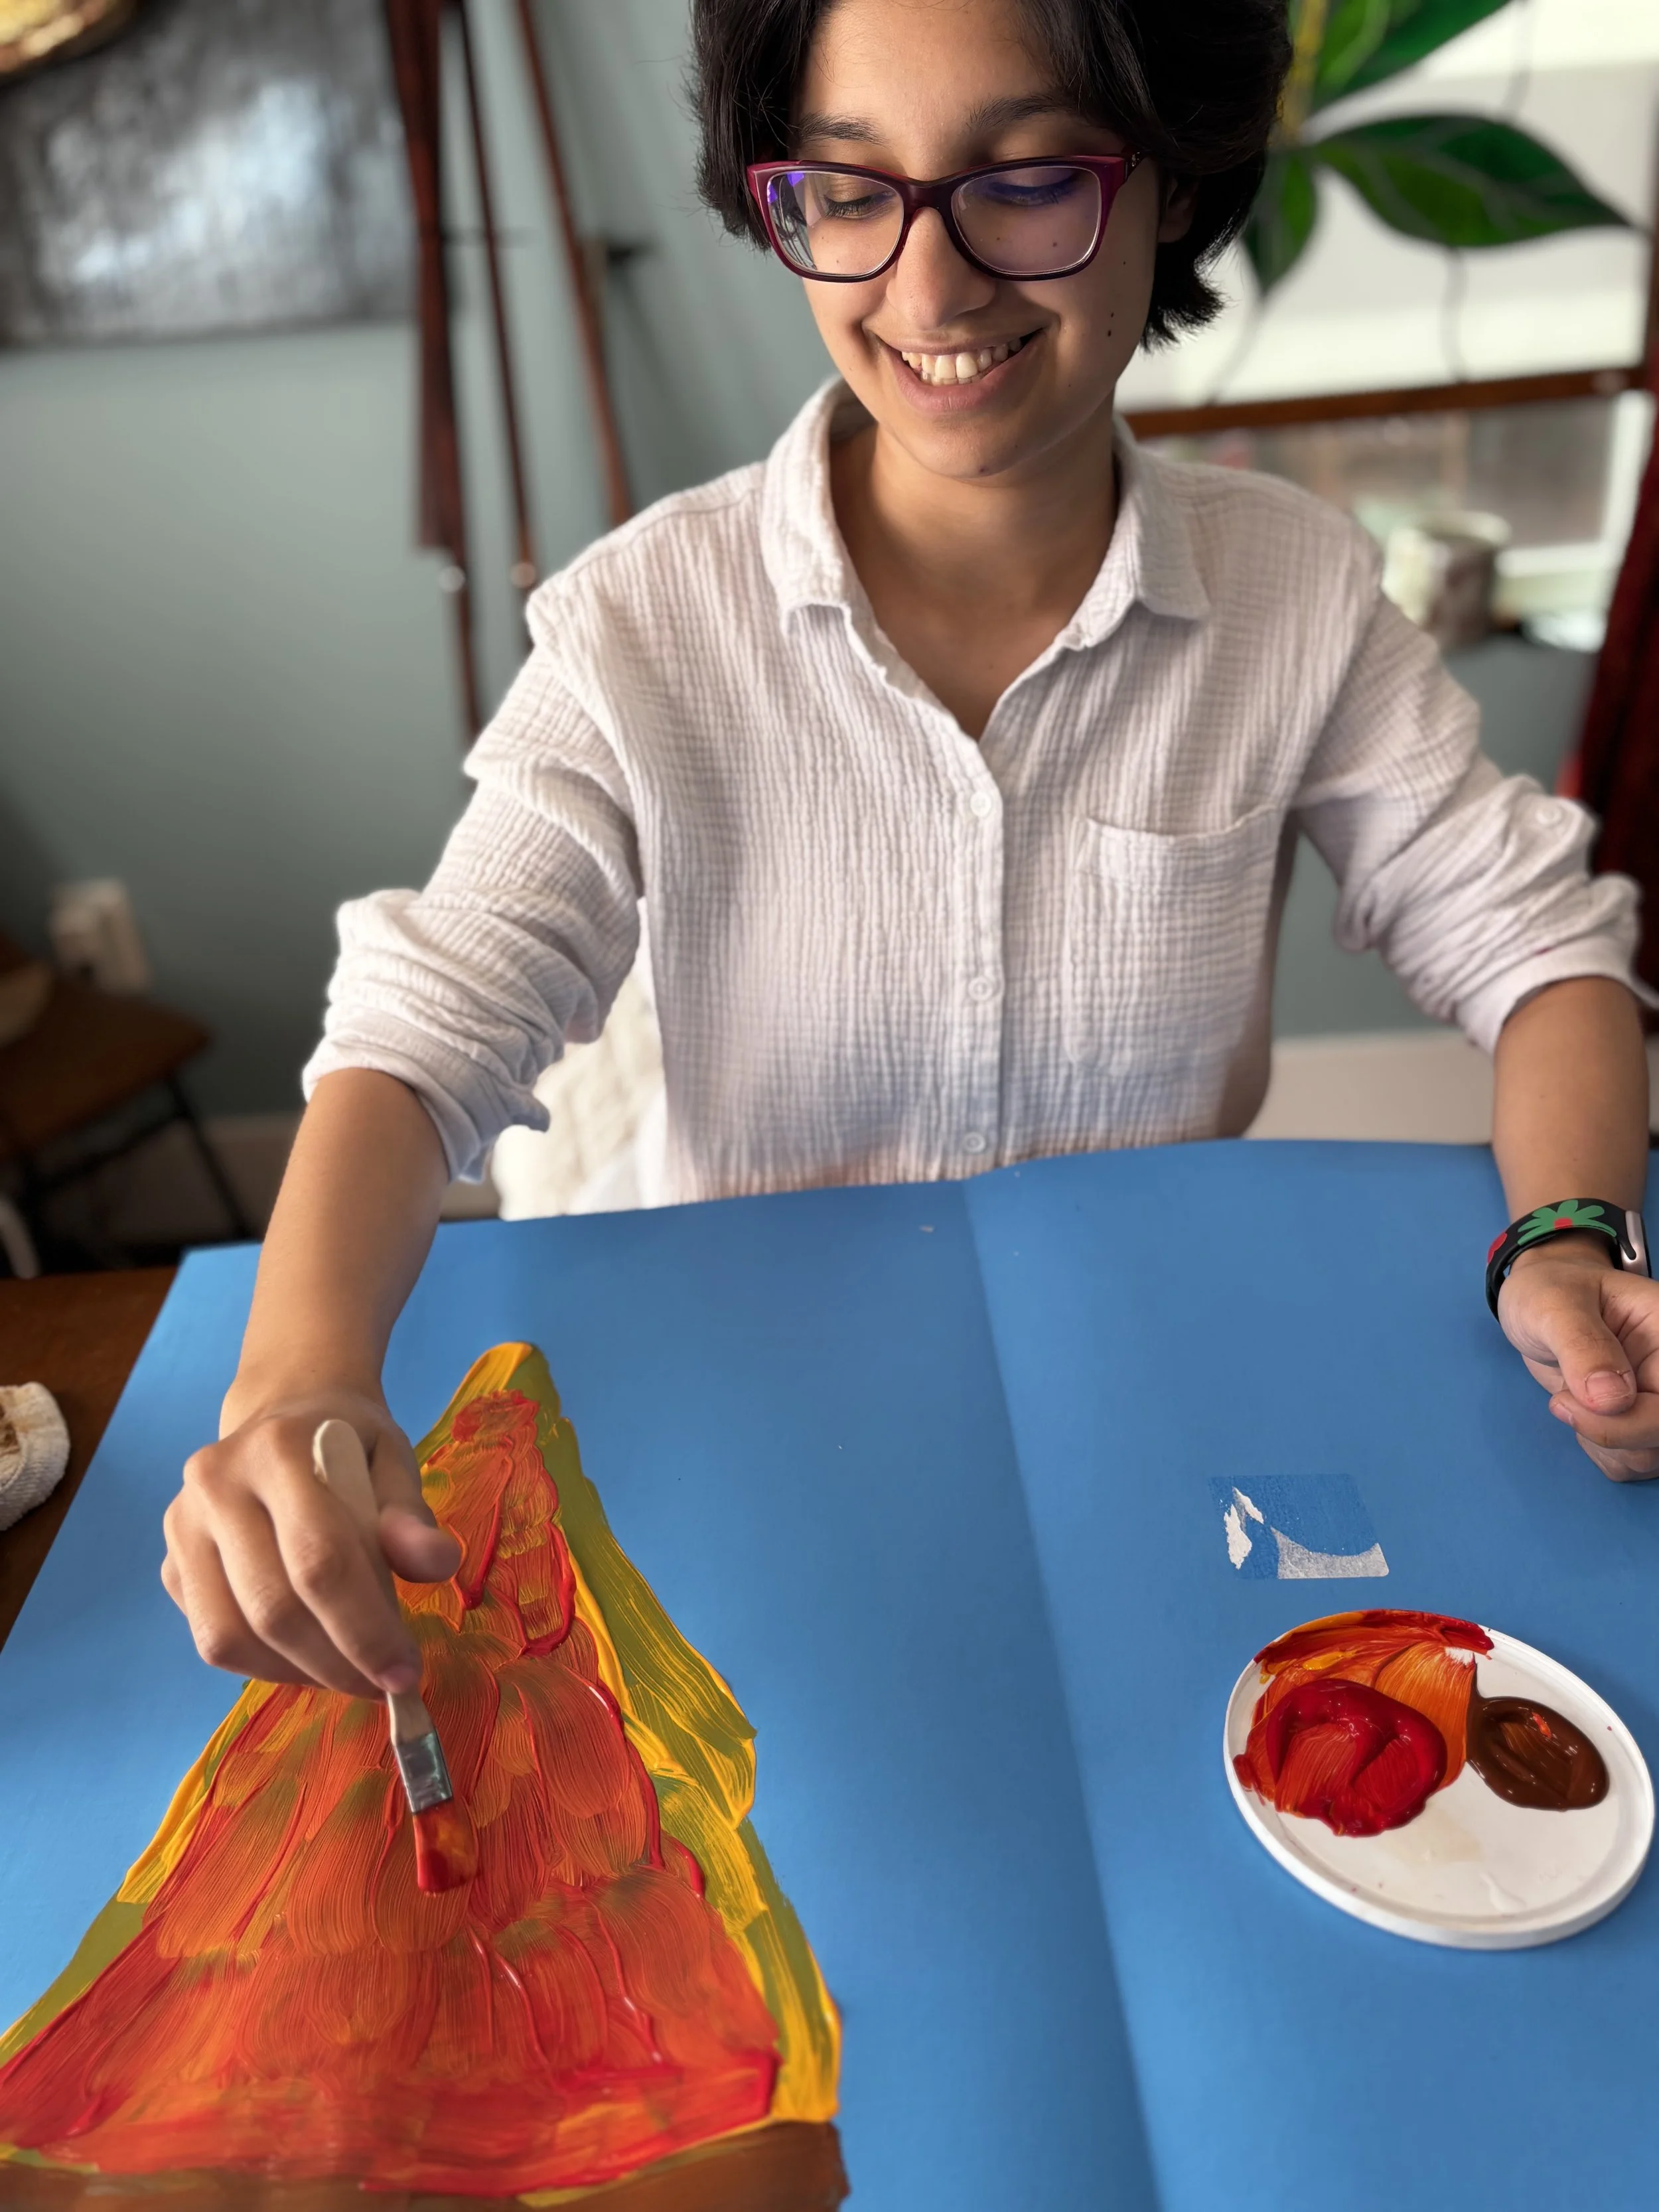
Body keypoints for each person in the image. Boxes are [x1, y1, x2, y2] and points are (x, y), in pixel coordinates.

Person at [163, 0, 1659, 1704]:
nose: (928, 292)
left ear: (1169, 182)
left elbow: (1537, 949)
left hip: (1145, 1408)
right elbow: (429, 1024)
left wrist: (1566, 1233)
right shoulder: (647, 625)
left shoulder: (1293, 598)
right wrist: (294, 1379)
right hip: (753, 1427)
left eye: (1024, 180)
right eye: (850, 191)